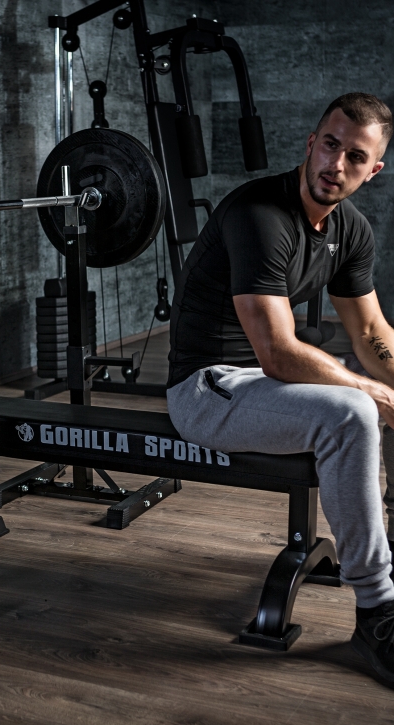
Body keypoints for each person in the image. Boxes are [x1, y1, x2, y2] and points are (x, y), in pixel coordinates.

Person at [165, 93, 394, 685]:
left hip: (264, 387)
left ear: (373, 170)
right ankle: (377, 611)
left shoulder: (350, 229)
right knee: (354, 408)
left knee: (369, 389)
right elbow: (279, 352)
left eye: (354, 157)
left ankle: (381, 545)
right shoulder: (259, 213)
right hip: (207, 389)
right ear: (311, 143)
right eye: (329, 145)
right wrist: (379, 395)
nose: (335, 164)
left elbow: (372, 334)